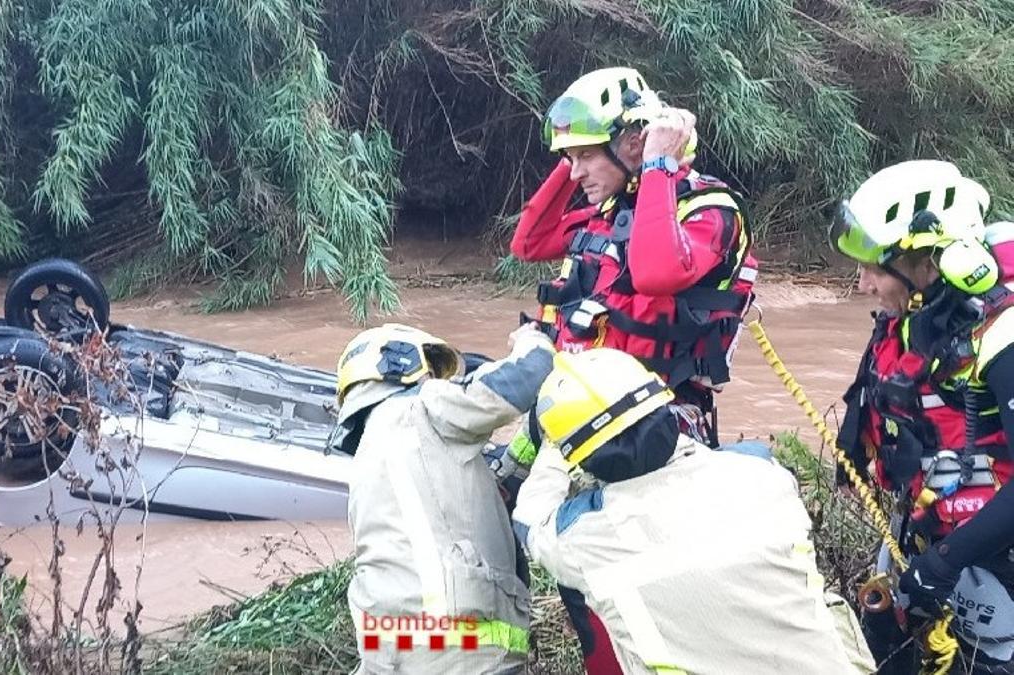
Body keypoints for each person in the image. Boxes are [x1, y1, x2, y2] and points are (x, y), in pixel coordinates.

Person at [494, 66, 757, 673]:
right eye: (571, 159)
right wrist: (580, 157)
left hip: (657, 432)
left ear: (634, 141)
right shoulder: (608, 209)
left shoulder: (709, 209)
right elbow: (528, 242)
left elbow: (661, 272)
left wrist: (658, 163)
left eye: (586, 156)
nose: (575, 173)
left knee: (647, 582)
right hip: (584, 423)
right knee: (584, 582)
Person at [511, 347, 876, 674]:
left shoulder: (584, 539)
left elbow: (530, 519)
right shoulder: (763, 474)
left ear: (582, 456)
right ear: (664, 408)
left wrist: (552, 447)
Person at [830, 159, 1014, 673]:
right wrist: (853, 449)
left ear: (928, 262)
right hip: (927, 538)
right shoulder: (917, 314)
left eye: (873, 268)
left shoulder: (1002, 333)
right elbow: (881, 386)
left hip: (989, 558)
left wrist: (942, 565)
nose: (863, 284)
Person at [330, 321, 555, 674]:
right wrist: (534, 340)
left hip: (386, 650)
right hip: (458, 648)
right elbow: (522, 378)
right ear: (402, 364)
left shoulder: (375, 449)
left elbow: (464, 501)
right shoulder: (417, 407)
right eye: (433, 371)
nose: (438, 381)